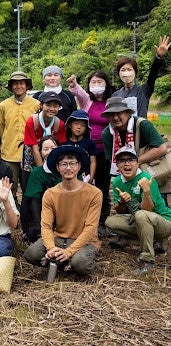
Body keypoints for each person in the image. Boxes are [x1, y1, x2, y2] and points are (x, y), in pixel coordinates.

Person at [24, 145, 101, 277]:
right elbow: (46, 225)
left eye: (72, 163)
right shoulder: (50, 194)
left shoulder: (94, 193)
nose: (68, 168)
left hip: (85, 240)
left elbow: (91, 228)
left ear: (79, 166)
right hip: (59, 238)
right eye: (64, 164)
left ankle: (68, 259)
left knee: (81, 264)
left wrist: (70, 251)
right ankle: (61, 259)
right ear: (58, 168)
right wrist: (50, 248)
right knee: (31, 254)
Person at [105, 147, 171, 275]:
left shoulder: (146, 179)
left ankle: (148, 260)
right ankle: (152, 242)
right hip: (141, 220)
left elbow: (147, 210)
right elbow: (119, 211)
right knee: (110, 221)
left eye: (130, 160)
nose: (127, 164)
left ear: (137, 163)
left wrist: (146, 191)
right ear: (117, 165)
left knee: (141, 215)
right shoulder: (118, 181)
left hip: (164, 222)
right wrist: (122, 202)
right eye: (122, 161)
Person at [67, 70, 115, 234]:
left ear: (106, 84)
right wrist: (74, 85)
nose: (96, 85)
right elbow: (79, 93)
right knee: (82, 182)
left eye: (100, 82)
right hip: (86, 149)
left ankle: (101, 220)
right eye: (93, 82)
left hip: (105, 151)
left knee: (102, 185)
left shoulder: (111, 102)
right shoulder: (88, 101)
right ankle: (81, 218)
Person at [0, 71, 40, 198]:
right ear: (11, 87)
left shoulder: (36, 104)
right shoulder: (4, 105)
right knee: (10, 185)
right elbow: (2, 127)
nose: (18, 86)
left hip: (30, 152)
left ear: (26, 86)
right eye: (15, 84)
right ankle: (12, 211)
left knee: (29, 186)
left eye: (21, 83)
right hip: (9, 152)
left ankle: (28, 213)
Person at [101, 97, 167, 176]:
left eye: (119, 113)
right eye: (111, 114)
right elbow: (111, 159)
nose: (115, 117)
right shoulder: (107, 133)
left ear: (128, 113)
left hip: (146, 168)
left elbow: (161, 148)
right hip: (123, 172)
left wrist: (134, 162)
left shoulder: (143, 125)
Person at [111, 35, 169, 117]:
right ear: (119, 74)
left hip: (140, 129)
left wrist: (159, 57)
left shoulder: (144, 90)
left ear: (135, 72)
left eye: (129, 69)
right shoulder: (116, 95)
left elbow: (153, 74)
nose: (126, 73)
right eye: (123, 70)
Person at [21, 91, 66, 195]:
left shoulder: (60, 125)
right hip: (33, 154)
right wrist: (42, 171)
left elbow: (59, 148)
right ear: (41, 105)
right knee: (31, 183)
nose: (51, 108)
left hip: (52, 155)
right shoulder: (32, 122)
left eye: (55, 106)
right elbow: (35, 148)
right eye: (48, 105)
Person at [20, 136, 60, 243]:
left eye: (53, 148)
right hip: (43, 212)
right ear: (41, 152)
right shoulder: (37, 172)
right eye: (45, 149)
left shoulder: (68, 169)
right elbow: (34, 200)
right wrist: (39, 226)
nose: (49, 152)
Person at [64, 110, 97, 182]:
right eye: (76, 123)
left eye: (83, 125)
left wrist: (91, 177)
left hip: (85, 177)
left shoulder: (89, 143)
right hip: (68, 176)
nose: (79, 127)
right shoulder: (65, 143)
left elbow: (93, 161)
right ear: (70, 125)